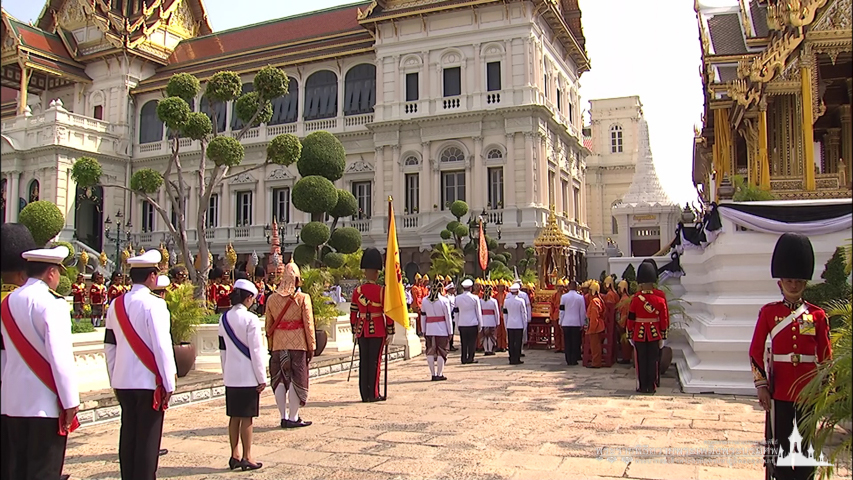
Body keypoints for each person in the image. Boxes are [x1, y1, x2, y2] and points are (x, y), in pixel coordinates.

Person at [749, 233, 831, 480]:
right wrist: (762, 386)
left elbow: (825, 355)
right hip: (780, 392)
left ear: (805, 283)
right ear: (780, 283)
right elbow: (755, 351)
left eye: (798, 281)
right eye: (789, 280)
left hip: (808, 392)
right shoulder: (768, 313)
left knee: (806, 448)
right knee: (782, 448)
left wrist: (824, 389)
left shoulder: (817, 316)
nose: (793, 285)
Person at [1, 245, 80, 480]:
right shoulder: (53, 303)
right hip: (44, 403)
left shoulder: (7, 302)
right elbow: (60, 357)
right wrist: (70, 402)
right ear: (51, 273)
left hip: (12, 401)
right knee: (44, 471)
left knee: (15, 470)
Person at [104, 249, 177, 480]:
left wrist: (114, 377)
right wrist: (169, 383)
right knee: (147, 439)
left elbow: (110, 346)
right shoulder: (155, 305)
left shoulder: (115, 305)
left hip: (123, 381)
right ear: (152, 276)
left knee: (128, 435)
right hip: (148, 383)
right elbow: (162, 346)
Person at [219, 279, 267, 471]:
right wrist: (261, 377)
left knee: (234, 416)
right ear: (248, 298)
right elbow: (256, 351)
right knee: (247, 417)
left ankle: (234, 454)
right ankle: (247, 456)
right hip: (248, 374)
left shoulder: (223, 318)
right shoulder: (250, 319)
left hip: (231, 373)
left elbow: (222, 350)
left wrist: (226, 372)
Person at [266, 260, 315, 428]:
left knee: (279, 379)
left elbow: (268, 325)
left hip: (278, 343)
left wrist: (271, 345)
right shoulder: (303, 298)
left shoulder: (271, 299)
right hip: (298, 343)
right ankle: (293, 417)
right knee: (297, 379)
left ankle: (283, 416)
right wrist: (311, 346)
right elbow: (308, 324)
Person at [349, 248, 394, 402]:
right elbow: (388, 313)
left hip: (362, 329)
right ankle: (373, 393)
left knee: (364, 362)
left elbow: (353, 313)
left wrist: (354, 329)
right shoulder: (382, 291)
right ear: (376, 273)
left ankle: (364, 393)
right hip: (378, 329)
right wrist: (390, 330)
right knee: (375, 362)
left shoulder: (357, 291)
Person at [626, 263, 668, 394]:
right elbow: (664, 319)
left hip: (639, 333)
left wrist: (630, 332)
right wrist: (663, 334)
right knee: (653, 361)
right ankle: (652, 386)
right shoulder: (660, 300)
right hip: (655, 333)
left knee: (641, 361)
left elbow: (631, 317)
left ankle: (643, 386)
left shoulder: (636, 299)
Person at [419, 278, 452, 381]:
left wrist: (424, 330)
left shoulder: (425, 300)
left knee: (430, 351)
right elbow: (448, 317)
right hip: (442, 329)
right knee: (442, 351)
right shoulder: (444, 301)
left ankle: (433, 374)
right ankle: (439, 373)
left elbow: (423, 316)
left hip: (429, 329)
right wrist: (450, 331)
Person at [455, 278, 483, 365]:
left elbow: (456, 312)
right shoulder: (475, 298)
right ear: (471, 288)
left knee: (464, 342)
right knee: (472, 342)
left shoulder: (457, 298)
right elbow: (478, 312)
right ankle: (470, 357)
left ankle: (463, 358)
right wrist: (480, 324)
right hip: (472, 323)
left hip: (462, 323)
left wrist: (457, 324)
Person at [559, 280, 586, 366]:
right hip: (576, 322)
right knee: (575, 342)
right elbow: (582, 312)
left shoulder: (564, 297)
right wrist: (582, 323)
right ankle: (574, 359)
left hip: (566, 322)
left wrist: (560, 321)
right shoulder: (580, 298)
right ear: (576, 287)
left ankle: (568, 359)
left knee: (567, 342)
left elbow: (561, 311)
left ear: (568, 287)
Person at [503, 284, 528, 365]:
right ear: (517, 292)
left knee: (511, 342)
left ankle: (511, 358)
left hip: (510, 324)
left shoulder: (506, 301)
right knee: (518, 342)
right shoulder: (521, 301)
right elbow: (524, 314)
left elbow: (505, 314)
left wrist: (506, 324)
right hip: (519, 324)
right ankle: (517, 358)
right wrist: (525, 324)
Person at [584, 280, 606, 368]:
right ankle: (596, 361)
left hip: (596, 326)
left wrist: (591, 328)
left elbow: (594, 316)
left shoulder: (594, 301)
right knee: (595, 345)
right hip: (598, 325)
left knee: (595, 346)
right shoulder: (597, 300)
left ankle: (596, 363)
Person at [479, 282, 500, 356]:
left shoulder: (480, 301)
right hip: (492, 321)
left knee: (484, 336)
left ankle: (486, 349)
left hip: (483, 321)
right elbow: (496, 313)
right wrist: (498, 322)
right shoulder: (494, 301)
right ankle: (490, 350)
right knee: (491, 336)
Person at [616, 280, 633, 364]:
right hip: (622, 322)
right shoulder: (623, 298)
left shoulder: (625, 300)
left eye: (619, 288)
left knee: (625, 342)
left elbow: (624, 314)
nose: (618, 290)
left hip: (624, 323)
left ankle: (626, 358)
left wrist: (621, 324)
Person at [550, 279, 567, 353]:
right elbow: (552, 306)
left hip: (564, 315)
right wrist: (551, 316)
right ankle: (557, 347)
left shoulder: (565, 295)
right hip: (556, 315)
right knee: (556, 332)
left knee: (563, 332)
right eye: (559, 286)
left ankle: (563, 347)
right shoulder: (554, 295)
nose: (560, 288)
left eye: (561, 286)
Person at [494, 280, 509, 352]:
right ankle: (499, 345)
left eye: (502, 287)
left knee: (504, 331)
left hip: (504, 315)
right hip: (498, 315)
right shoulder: (495, 295)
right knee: (498, 331)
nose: (500, 288)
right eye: (499, 287)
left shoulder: (507, 295)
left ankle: (504, 345)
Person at [444, 282, 458, 352]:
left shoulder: (454, 296)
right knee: (448, 330)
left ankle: (451, 344)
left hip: (453, 315)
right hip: (449, 314)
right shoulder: (447, 297)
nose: (453, 290)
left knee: (452, 329)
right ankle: (448, 345)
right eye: (452, 289)